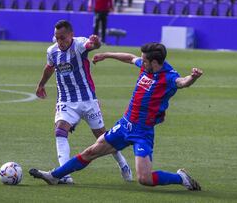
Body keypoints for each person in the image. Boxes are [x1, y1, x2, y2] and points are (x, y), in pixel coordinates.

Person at [29, 42, 203, 190]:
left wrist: (193, 77)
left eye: (144, 60)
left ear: (155, 62)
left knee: (145, 179)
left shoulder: (169, 77)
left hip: (142, 132)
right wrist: (106, 54)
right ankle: (54, 176)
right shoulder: (146, 66)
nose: (141, 62)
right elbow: (129, 58)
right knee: (90, 152)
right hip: (125, 125)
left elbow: (183, 82)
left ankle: (181, 178)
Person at [34, 20, 132, 184]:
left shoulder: (79, 44)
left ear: (71, 35)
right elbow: (49, 67)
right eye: (57, 38)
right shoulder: (52, 51)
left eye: (63, 38)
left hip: (88, 101)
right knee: (60, 130)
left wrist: (96, 42)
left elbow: (92, 46)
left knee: (104, 138)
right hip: (66, 101)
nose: (60, 42)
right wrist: (41, 84)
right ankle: (63, 174)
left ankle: (123, 164)